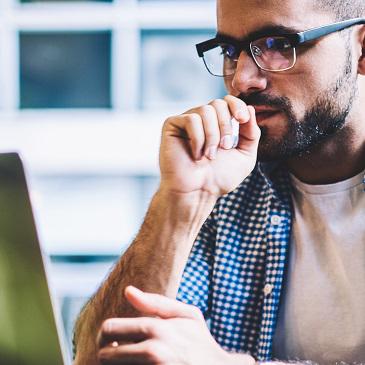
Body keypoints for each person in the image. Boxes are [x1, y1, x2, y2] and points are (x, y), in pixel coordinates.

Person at [73, 0, 365, 363]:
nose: (242, 79)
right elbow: (100, 356)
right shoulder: (230, 182)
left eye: (277, 45)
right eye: (230, 50)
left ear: (361, 48)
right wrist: (180, 202)